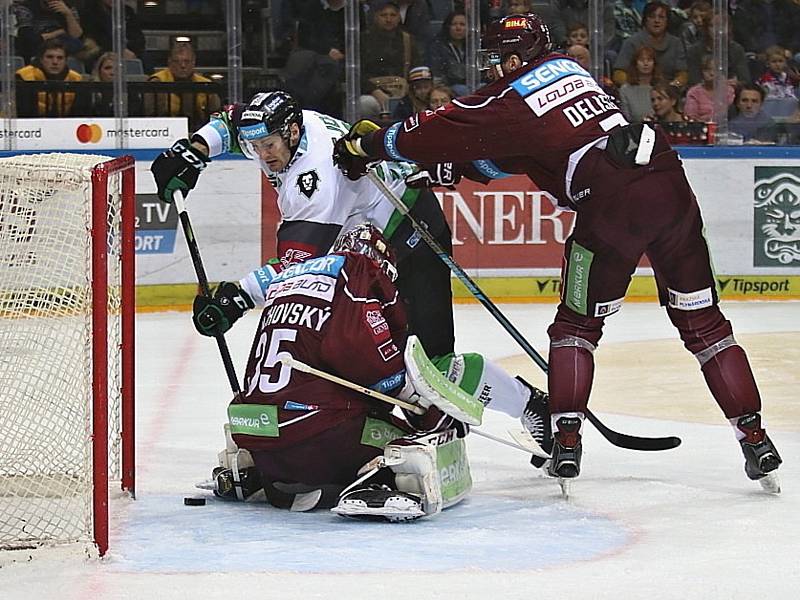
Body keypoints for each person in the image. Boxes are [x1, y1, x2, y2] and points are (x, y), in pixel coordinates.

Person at [331, 12, 783, 491]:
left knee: (575, 328)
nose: (491, 69)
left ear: (514, 55)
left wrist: (372, 145)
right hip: (669, 185)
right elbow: (516, 152)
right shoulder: (572, 69)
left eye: (495, 58)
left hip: (610, 203)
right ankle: (756, 439)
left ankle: (566, 444)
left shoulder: (509, 97)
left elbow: (445, 127)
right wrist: (445, 171)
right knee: (707, 326)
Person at [191, 223, 552, 519]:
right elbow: (373, 367)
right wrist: (431, 417)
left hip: (255, 432)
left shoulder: (293, 275)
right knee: (416, 442)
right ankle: (375, 479)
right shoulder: (358, 273)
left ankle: (256, 473)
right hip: (314, 441)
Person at [150, 90, 456, 359]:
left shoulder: (315, 180)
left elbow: (299, 267)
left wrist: (237, 298)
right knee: (358, 345)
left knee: (427, 354)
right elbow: (233, 120)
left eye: (267, 145)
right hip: (369, 241)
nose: (261, 154)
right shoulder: (279, 129)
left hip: (412, 229)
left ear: (293, 133)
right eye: (254, 146)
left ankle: (451, 419)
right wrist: (197, 151)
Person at [144, 42, 221, 131]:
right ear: (169, 62)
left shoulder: (206, 84)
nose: (183, 66)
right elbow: (148, 114)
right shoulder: (157, 82)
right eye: (177, 61)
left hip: (199, 130)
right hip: (163, 130)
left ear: (194, 62)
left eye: (187, 61)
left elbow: (216, 115)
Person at [613, 1, 687, 88]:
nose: (657, 21)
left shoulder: (676, 43)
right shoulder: (632, 42)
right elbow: (619, 72)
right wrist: (631, 87)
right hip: (637, 90)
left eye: (661, 17)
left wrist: (674, 86)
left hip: (668, 93)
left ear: (667, 21)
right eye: (652, 17)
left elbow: (682, 73)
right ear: (645, 19)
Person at [15, 38, 87, 117]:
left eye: (60, 58)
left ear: (66, 61)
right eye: (49, 57)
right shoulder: (24, 76)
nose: (55, 62)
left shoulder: (76, 79)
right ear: (41, 59)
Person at [78, 0, 146, 72]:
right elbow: (94, 38)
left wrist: (133, 52)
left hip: (129, 52)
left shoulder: (128, 11)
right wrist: (118, 51)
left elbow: (139, 37)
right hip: (101, 52)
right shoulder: (89, 12)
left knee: (145, 58)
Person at [12, 0, 83, 64]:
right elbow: (28, 38)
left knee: (77, 45)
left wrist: (68, 14)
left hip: (62, 45)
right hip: (35, 47)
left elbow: (76, 36)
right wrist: (58, 32)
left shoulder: (68, 7)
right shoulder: (26, 7)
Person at [427, 10, 468, 97]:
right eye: (454, 24)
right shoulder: (437, 46)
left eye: (462, 24)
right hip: (449, 87)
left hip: (472, 84)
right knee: (461, 89)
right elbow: (437, 73)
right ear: (448, 27)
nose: (458, 28)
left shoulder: (473, 45)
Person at [683, 55, 734, 123]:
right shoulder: (694, 92)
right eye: (707, 70)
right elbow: (691, 118)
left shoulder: (728, 91)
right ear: (701, 71)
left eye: (715, 70)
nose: (712, 73)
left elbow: (730, 115)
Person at [617, 45, 660, 123]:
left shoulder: (662, 88)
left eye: (649, 60)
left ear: (654, 64)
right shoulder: (625, 90)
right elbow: (626, 119)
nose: (645, 63)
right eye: (641, 60)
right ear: (635, 64)